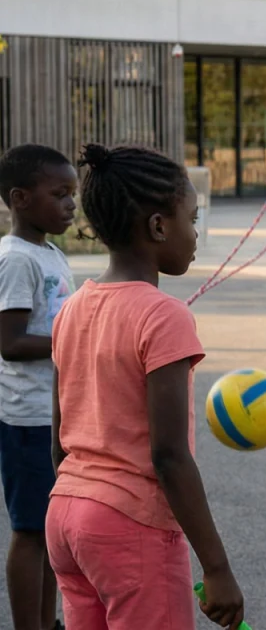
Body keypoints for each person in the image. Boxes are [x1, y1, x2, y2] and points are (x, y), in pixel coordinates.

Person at [47, 144, 245, 629]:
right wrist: (217, 568)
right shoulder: (164, 317)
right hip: (129, 529)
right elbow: (169, 455)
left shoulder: (73, 307)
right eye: (191, 220)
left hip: (68, 516)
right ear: (159, 227)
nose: (195, 234)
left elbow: (59, 440)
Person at [0, 144, 77, 630]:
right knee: (31, 532)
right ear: (20, 198)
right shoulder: (16, 260)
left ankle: (47, 622)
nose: (72, 204)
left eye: (74, 194)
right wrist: (70, 340)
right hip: (27, 417)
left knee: (52, 530)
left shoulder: (49, 252)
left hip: (55, 413)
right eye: (60, 194)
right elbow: (9, 343)